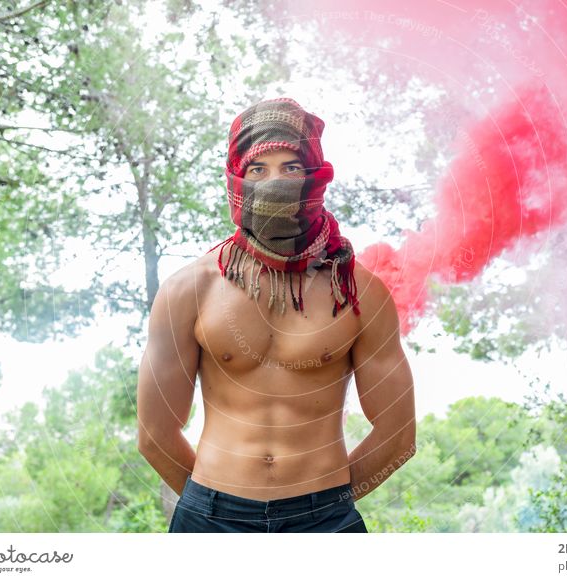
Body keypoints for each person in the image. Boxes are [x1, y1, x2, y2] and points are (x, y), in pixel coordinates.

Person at [137, 97, 416, 533]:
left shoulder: (360, 292)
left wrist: (325, 507)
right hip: (209, 519)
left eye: (292, 168)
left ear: (315, 177)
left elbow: (398, 437)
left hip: (325, 520)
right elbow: (154, 433)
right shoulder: (189, 289)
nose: (275, 183)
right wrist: (210, 506)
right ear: (236, 180)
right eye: (258, 170)